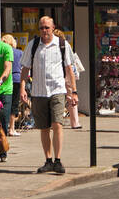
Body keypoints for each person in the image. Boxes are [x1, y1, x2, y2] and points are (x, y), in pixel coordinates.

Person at [20, 17, 78, 174]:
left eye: (46, 27)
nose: (44, 31)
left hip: (57, 90)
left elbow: (69, 70)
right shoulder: (33, 45)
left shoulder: (62, 44)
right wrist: (23, 88)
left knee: (57, 124)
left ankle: (58, 160)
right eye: (41, 28)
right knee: (43, 128)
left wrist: (73, 91)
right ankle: (48, 160)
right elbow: (25, 68)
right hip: (39, 92)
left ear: (53, 28)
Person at [55, 29, 84, 129]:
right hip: (67, 73)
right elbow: (71, 60)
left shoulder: (52, 45)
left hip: (57, 74)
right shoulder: (65, 44)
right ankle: (75, 122)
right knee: (71, 97)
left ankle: (54, 122)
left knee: (55, 97)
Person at [1, 32, 24, 135]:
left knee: (4, 104)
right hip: (16, 79)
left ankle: (1, 127)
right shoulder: (19, 53)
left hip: (4, 79)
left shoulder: (2, 52)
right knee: (14, 104)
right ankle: (12, 128)